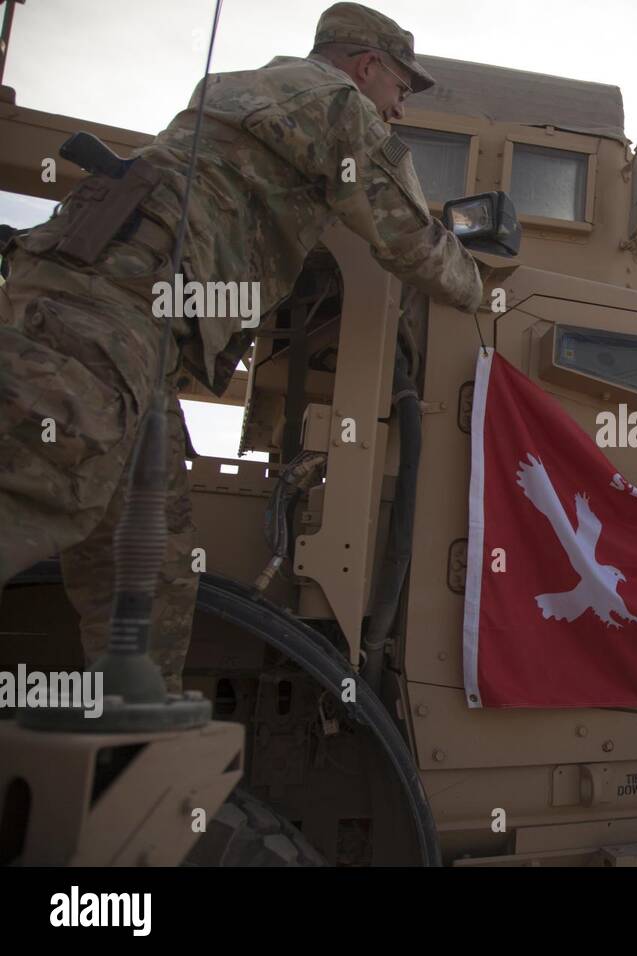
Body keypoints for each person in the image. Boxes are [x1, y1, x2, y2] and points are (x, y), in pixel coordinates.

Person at [0, 2, 483, 692]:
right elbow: (406, 236)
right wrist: (481, 287)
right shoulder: (338, 104)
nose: (399, 108)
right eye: (401, 88)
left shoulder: (235, 87)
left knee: (151, 559)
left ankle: (134, 729)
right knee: (31, 477)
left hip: (120, 317)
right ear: (367, 65)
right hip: (112, 310)